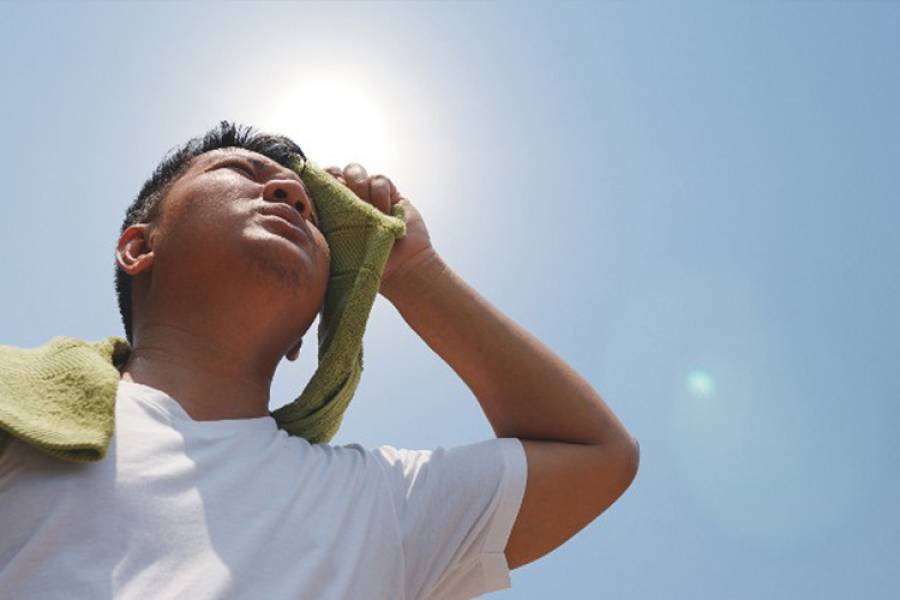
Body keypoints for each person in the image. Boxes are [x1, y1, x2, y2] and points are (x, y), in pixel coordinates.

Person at [0, 121, 639, 599]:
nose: (290, 192)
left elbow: (597, 455)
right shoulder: (20, 409)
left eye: (312, 210)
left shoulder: (376, 506)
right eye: (240, 171)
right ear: (139, 246)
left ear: (305, 334)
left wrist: (416, 272)